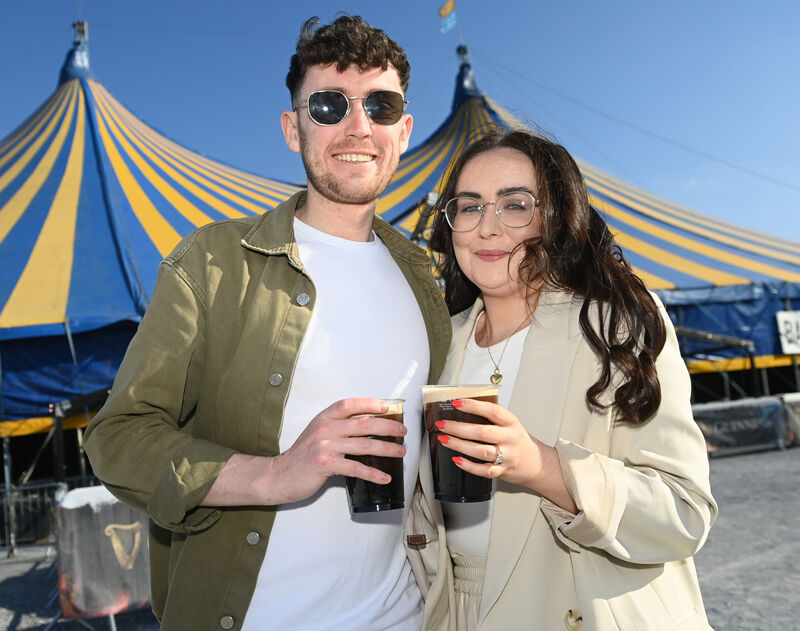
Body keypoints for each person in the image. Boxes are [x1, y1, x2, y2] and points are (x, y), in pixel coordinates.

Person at [84, 16, 451, 631]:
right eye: (329, 105)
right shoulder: (213, 264)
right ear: (292, 128)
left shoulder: (429, 281)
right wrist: (276, 474)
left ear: (403, 130)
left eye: (381, 106)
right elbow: (118, 440)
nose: (359, 126)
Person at [416, 129, 718, 630]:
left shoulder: (616, 327)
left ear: (556, 216)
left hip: (584, 605)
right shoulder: (434, 345)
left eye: (515, 205)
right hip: (462, 611)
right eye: (468, 208)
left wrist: (542, 467)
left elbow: (684, 514)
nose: (486, 228)